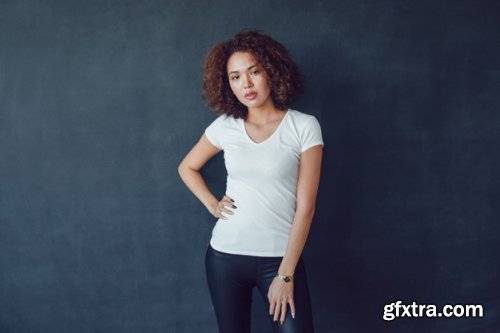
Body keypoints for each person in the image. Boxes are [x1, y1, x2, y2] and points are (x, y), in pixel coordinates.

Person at [178, 29, 324, 333]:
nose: (246, 84)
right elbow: (187, 167)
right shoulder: (225, 126)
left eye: (254, 72)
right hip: (225, 258)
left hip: (279, 261)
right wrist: (212, 204)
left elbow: (306, 208)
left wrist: (285, 275)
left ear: (272, 71)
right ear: (226, 83)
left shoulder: (303, 126)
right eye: (235, 77)